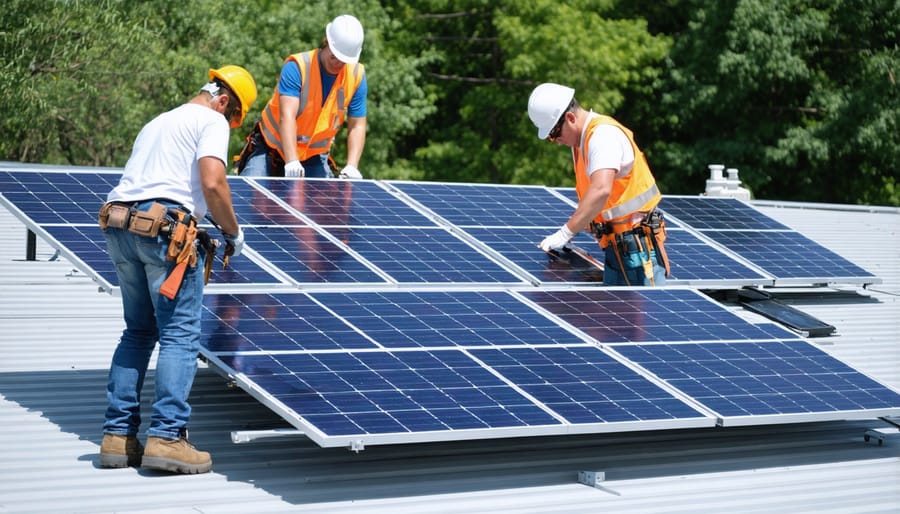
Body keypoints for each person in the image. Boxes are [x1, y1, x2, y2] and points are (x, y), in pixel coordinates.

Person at [97, 65, 257, 474]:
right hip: (166, 231)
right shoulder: (210, 120)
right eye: (233, 118)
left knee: (137, 331)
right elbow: (213, 182)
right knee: (179, 336)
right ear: (224, 101)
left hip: (120, 224)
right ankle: (168, 438)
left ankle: (118, 437)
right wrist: (232, 232)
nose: (229, 125)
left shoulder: (158, 121)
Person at [528, 83, 670, 286]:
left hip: (637, 251)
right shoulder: (582, 142)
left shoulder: (602, 136)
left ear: (570, 118)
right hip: (619, 249)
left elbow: (601, 189)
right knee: (616, 317)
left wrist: (566, 233)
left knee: (636, 316)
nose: (555, 140)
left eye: (555, 133)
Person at [238, 14, 367, 179]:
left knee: (325, 203)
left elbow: (357, 125)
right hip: (271, 148)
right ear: (326, 41)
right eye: (334, 56)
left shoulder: (356, 76)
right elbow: (287, 116)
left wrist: (352, 165)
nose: (338, 64)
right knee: (251, 194)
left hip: (312, 157)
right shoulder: (298, 67)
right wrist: (291, 161)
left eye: (344, 60)